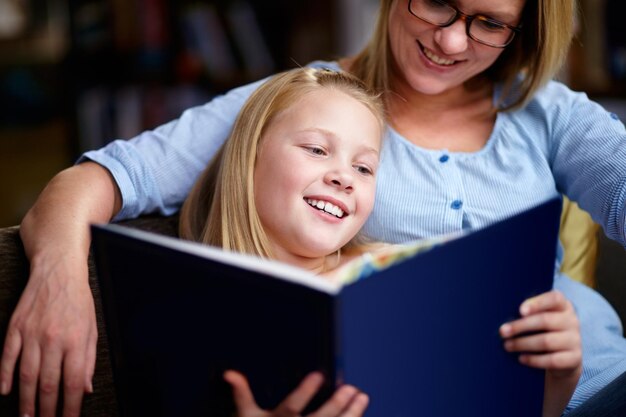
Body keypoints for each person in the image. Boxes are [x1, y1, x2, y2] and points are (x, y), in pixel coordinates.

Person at [2, 0, 625, 415]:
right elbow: (107, 176)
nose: (451, 38)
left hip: (587, 377)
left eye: (490, 22)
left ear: (523, 31)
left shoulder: (548, 111)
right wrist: (59, 277)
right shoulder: (303, 106)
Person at [179, 66, 580, 417]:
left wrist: (559, 376)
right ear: (250, 156)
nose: (344, 177)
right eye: (317, 149)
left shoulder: (399, 273)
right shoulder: (194, 301)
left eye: (364, 167)